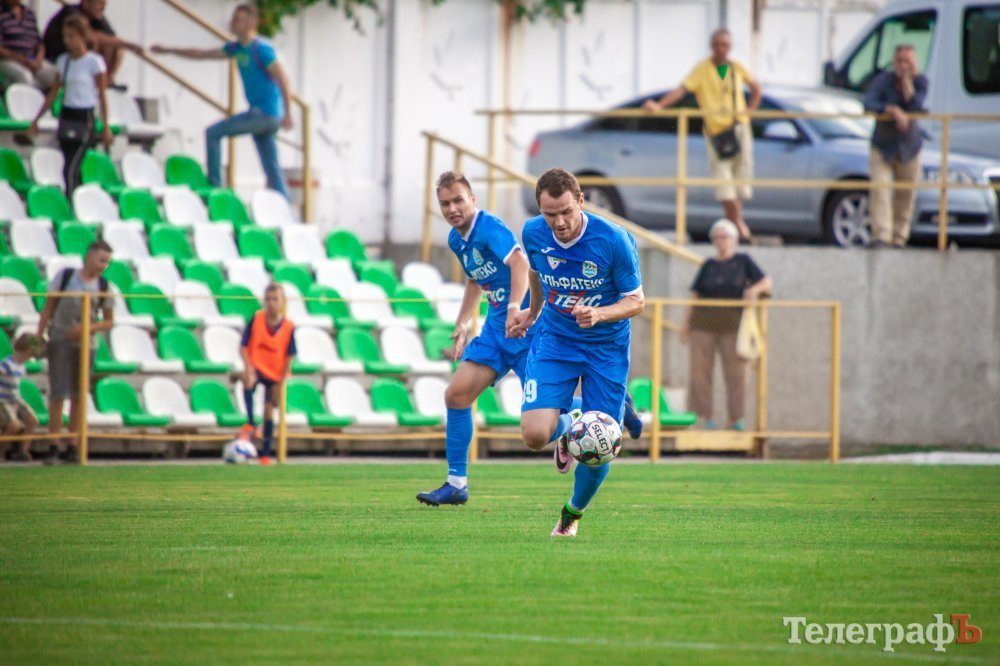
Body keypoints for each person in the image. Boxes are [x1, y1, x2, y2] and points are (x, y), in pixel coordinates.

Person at [510, 168, 645, 538]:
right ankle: (572, 424)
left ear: (581, 201)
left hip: (606, 347)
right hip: (556, 340)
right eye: (550, 214)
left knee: (601, 443)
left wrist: (600, 313)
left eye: (566, 212)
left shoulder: (613, 240)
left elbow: (636, 301)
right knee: (534, 435)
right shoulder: (533, 232)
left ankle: (571, 516)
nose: (559, 222)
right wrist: (533, 312)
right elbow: (537, 273)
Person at [415, 172, 533, 506]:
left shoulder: (489, 227)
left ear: (472, 200)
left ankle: (608, 407)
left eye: (458, 200)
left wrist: (514, 308)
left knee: (546, 419)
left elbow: (520, 264)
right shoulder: (457, 239)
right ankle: (456, 484)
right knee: (456, 395)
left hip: (526, 330)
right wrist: (463, 324)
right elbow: (474, 281)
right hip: (496, 332)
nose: (452, 208)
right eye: (445, 203)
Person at [151, 4, 294, 199]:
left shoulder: (261, 49)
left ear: (250, 23)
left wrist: (288, 113)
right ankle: (285, 207)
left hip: (265, 114)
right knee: (271, 167)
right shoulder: (236, 48)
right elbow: (201, 54)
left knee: (213, 133)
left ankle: (215, 186)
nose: (232, 23)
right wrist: (168, 50)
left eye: (237, 20)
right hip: (262, 115)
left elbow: (283, 79)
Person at [644, 28, 761, 242]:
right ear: (711, 46)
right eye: (718, 45)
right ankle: (739, 226)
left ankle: (734, 228)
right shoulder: (702, 69)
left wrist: (748, 112)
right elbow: (682, 90)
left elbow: (756, 90)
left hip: (739, 129)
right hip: (717, 133)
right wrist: (659, 105)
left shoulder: (736, 67)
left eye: (725, 45)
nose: (721, 49)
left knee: (741, 179)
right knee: (723, 182)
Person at [681, 219, 772, 431]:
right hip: (703, 324)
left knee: (737, 373)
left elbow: (766, 282)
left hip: (733, 326)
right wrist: (686, 324)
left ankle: (736, 418)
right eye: (717, 237)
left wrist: (753, 290)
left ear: (734, 239)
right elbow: (694, 294)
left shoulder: (743, 261)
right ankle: (705, 417)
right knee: (700, 373)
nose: (721, 241)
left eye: (725, 237)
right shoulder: (709, 265)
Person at [36, 240, 115, 464]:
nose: (103, 266)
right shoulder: (65, 277)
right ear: (89, 256)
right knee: (58, 393)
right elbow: (48, 308)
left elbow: (108, 321)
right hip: (60, 339)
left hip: (86, 344)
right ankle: (53, 444)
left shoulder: (103, 286)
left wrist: (86, 329)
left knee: (79, 395)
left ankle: (73, 445)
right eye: (101, 260)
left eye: (107, 262)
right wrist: (39, 335)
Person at [29, 14, 112, 194]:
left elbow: (102, 96)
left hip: (85, 116)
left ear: (83, 36)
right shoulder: (64, 61)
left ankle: (72, 202)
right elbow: (54, 92)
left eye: (72, 36)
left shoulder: (94, 62)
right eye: (66, 36)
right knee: (70, 165)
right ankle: (78, 199)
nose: (68, 41)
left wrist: (106, 125)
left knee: (71, 168)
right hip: (68, 115)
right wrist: (37, 119)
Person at [863, 44, 928, 249]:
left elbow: (916, 106)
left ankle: (899, 238)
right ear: (894, 62)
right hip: (883, 145)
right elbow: (868, 103)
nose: (903, 65)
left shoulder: (921, 81)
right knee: (880, 189)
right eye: (900, 61)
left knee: (906, 194)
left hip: (909, 147)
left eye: (907, 61)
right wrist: (890, 110)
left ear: (915, 63)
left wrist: (907, 84)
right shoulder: (883, 80)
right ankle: (881, 236)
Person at [240, 283, 297, 465]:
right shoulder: (257, 319)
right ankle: (251, 422)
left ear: (283, 301)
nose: (271, 303)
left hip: (275, 372)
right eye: (268, 299)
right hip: (257, 366)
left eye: (275, 299)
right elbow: (243, 345)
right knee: (248, 380)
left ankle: (265, 454)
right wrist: (248, 366)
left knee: (269, 410)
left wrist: (281, 381)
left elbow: (290, 355)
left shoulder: (288, 326)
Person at [42, 0, 141, 89]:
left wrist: (125, 44)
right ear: (86, 3)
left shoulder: (97, 17)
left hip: (77, 62)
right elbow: (89, 35)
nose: (103, 8)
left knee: (117, 46)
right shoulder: (71, 12)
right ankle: (98, 82)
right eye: (99, 3)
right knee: (111, 42)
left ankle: (107, 80)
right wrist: (128, 45)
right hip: (58, 60)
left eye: (104, 4)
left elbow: (113, 39)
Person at [0, 334, 42, 462]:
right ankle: (1, 452)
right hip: (3, 400)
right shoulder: (6, 364)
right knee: (14, 426)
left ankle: (23, 450)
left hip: (15, 399)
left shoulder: (22, 366)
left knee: (32, 420)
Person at [0, 0, 58, 90]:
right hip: (8, 60)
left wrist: (38, 60)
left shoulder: (29, 13)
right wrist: (22, 60)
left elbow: (40, 43)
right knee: (25, 77)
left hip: (32, 59)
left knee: (55, 76)